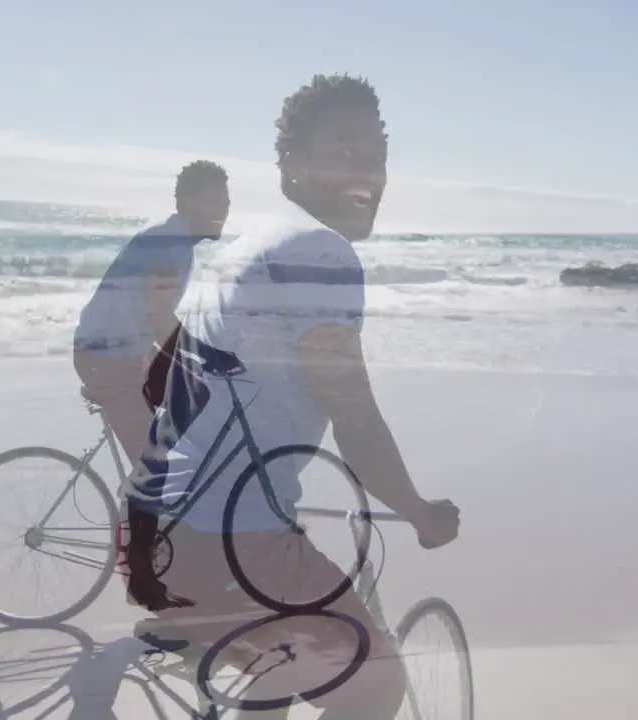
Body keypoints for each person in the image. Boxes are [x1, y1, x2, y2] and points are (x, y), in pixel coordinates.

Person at [125, 73, 461, 720]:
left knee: (278, 671)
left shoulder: (243, 246)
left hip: (158, 529)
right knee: (376, 681)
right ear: (294, 167)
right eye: (343, 155)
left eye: (376, 158)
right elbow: (355, 421)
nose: (368, 174)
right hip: (230, 543)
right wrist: (419, 512)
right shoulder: (320, 254)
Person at [71, 160, 230, 466]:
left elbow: (152, 318)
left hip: (121, 353)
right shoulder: (170, 243)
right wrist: (205, 356)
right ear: (186, 202)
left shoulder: (175, 240)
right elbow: (158, 318)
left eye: (226, 203)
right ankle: (138, 507)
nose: (223, 211)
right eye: (214, 202)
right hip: (106, 357)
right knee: (156, 468)